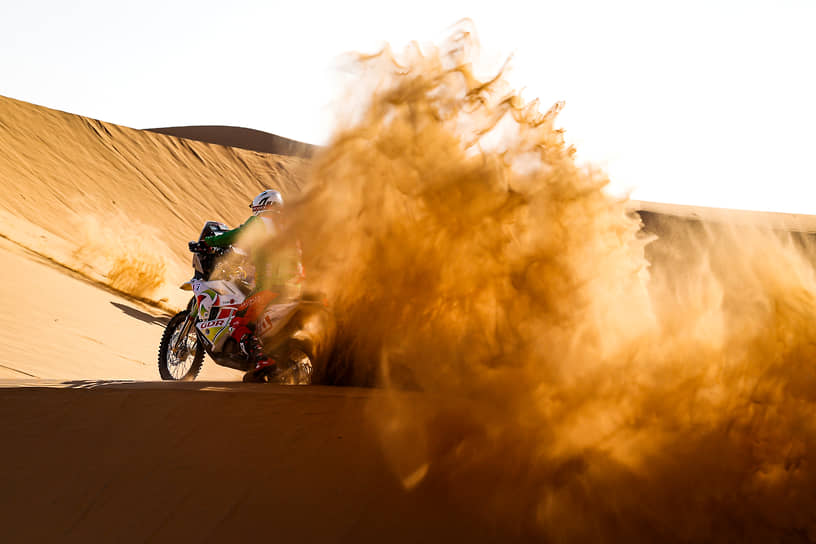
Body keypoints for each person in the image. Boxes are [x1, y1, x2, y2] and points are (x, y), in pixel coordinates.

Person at [199, 189, 304, 378]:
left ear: (264, 205)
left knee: (239, 320)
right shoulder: (288, 227)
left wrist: (210, 242)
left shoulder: (260, 222)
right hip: (295, 288)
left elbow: (238, 235)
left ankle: (261, 359)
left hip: (270, 287)